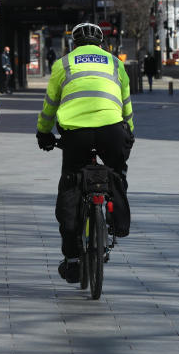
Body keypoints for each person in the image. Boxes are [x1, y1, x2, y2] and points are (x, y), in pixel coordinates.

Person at [35, 22, 134, 284]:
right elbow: (125, 102)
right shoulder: (115, 63)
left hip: (75, 132)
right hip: (112, 129)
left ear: (74, 44)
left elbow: (50, 103)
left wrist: (43, 133)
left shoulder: (63, 64)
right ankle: (118, 220)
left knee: (70, 184)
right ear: (101, 44)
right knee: (116, 173)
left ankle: (73, 258)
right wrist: (129, 132)